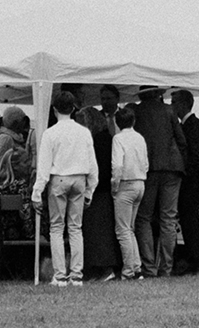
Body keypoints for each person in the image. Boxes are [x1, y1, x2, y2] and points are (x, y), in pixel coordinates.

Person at [31, 89, 98, 287]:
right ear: (74, 108)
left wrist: (37, 192)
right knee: (76, 228)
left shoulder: (50, 134)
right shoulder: (84, 132)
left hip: (58, 179)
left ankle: (60, 275)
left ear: (54, 110)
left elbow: (44, 166)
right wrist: (90, 189)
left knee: (57, 227)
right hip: (79, 179)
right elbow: (92, 164)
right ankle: (77, 274)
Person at [132, 86, 185, 278]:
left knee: (144, 217)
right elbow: (181, 140)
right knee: (168, 218)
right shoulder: (170, 111)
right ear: (158, 94)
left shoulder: (136, 112)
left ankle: (149, 267)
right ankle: (166, 268)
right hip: (172, 168)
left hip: (149, 169)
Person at [78, 86, 120, 281]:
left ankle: (104, 268)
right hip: (99, 190)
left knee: (99, 232)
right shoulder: (104, 139)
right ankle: (98, 267)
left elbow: (101, 167)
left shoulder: (101, 141)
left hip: (99, 191)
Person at [173, 89, 199, 275]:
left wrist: (185, 172)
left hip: (191, 183)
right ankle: (191, 258)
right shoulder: (187, 124)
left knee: (190, 222)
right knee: (188, 222)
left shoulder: (194, 125)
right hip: (190, 182)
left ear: (182, 104)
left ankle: (195, 260)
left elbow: (197, 154)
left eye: (174, 102)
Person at [109, 104, 148, 280]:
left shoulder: (118, 139)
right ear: (134, 121)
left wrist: (114, 185)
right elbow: (146, 162)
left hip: (125, 184)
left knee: (122, 230)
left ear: (117, 122)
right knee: (130, 229)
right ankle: (136, 267)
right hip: (140, 182)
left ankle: (128, 270)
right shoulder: (140, 137)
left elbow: (117, 165)